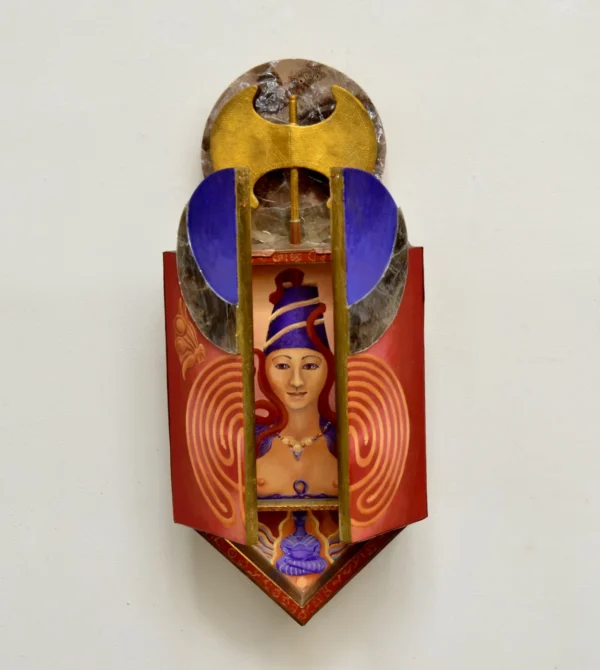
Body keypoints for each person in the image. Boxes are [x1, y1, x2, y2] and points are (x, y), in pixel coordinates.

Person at [254, 268, 337, 499]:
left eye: (310, 366)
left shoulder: (344, 437)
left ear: (329, 369)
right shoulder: (250, 439)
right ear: (264, 369)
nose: (297, 381)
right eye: (282, 366)